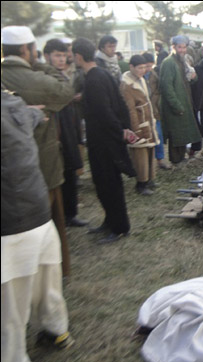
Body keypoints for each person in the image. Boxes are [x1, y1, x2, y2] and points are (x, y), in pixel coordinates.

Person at [2, 88, 74, 362]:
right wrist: (33, 111)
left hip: (10, 223)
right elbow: (31, 115)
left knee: (9, 310)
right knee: (47, 284)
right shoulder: (13, 103)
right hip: (37, 212)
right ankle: (55, 329)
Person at [1, 26, 75, 277]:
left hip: (7, 169)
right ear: (26, 49)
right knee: (50, 220)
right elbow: (65, 90)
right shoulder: (35, 78)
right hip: (41, 160)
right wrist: (43, 66)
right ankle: (55, 271)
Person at [72, 37, 137, 244]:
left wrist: (120, 131)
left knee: (109, 185)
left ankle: (119, 228)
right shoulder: (102, 74)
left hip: (104, 142)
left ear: (78, 56)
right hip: (105, 140)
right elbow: (119, 103)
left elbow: (105, 112)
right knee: (102, 184)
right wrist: (125, 128)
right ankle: (110, 221)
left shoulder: (94, 79)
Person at [43, 39, 88, 228]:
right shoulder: (42, 77)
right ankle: (56, 217)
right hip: (54, 133)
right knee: (55, 177)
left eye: (63, 55)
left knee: (69, 173)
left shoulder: (64, 75)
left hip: (68, 129)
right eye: (57, 56)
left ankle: (71, 214)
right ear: (47, 56)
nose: (61, 59)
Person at [159, 35, 202, 165]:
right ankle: (176, 160)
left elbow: (186, 81)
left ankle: (181, 157)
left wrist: (193, 78)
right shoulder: (168, 63)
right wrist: (176, 105)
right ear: (173, 47)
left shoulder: (183, 61)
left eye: (184, 47)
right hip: (175, 104)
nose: (182, 50)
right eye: (179, 47)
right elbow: (167, 87)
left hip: (184, 101)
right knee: (176, 133)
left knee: (183, 132)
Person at [121, 55, 159, 196]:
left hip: (147, 121)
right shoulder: (127, 85)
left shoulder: (141, 79)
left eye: (144, 67)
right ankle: (141, 183)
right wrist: (136, 129)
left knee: (149, 151)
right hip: (138, 123)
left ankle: (149, 179)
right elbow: (130, 109)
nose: (143, 70)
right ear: (131, 67)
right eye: (139, 68)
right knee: (140, 155)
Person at [141, 52, 172, 170]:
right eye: (146, 66)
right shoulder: (138, 77)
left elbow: (160, 91)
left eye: (150, 66)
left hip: (155, 111)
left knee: (158, 134)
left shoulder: (154, 75)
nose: (148, 68)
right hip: (142, 113)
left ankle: (160, 159)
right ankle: (146, 162)